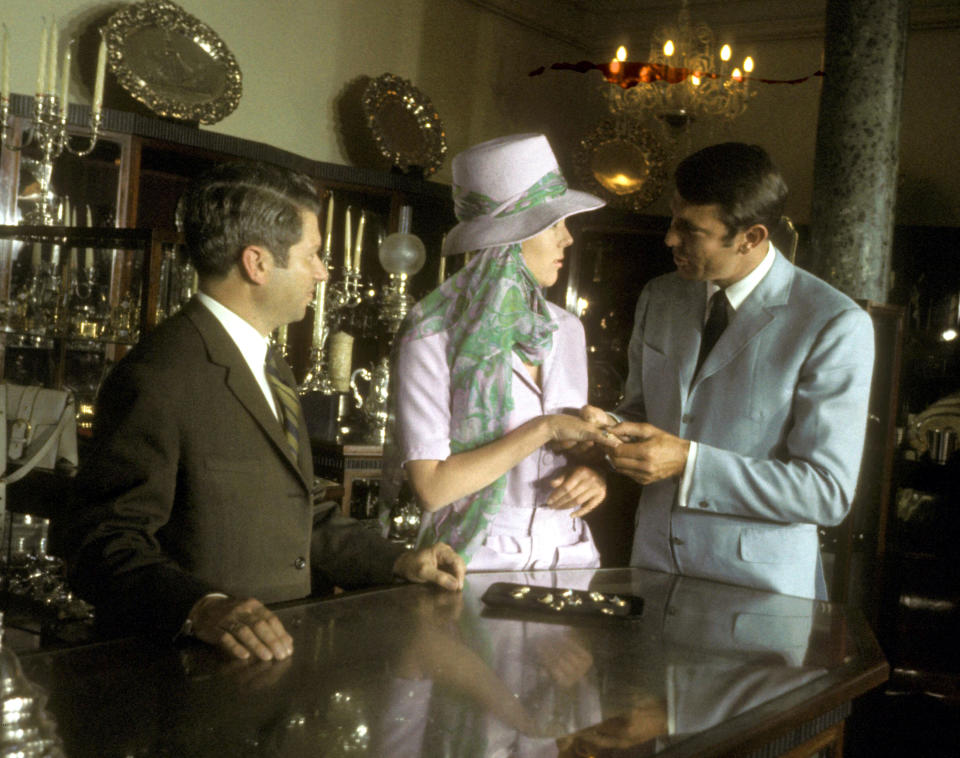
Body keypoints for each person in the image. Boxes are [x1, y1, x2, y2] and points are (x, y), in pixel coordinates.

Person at [53, 162, 465, 662]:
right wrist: (201, 607)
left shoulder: (270, 364)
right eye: (312, 254)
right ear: (257, 263)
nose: (323, 271)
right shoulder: (158, 376)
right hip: (190, 675)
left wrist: (400, 560)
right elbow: (100, 542)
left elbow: (301, 512)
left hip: (274, 671)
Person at [583, 142, 875, 599]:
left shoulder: (833, 324)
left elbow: (826, 492)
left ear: (751, 238)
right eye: (673, 220)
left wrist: (689, 462)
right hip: (652, 573)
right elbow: (644, 410)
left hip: (761, 594)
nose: (669, 240)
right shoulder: (661, 297)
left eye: (689, 229)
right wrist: (606, 429)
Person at [393, 133, 620, 570]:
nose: (567, 239)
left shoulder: (566, 329)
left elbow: (573, 449)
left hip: (569, 558)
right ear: (513, 236)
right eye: (554, 224)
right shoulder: (431, 333)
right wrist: (545, 428)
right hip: (471, 561)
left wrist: (595, 473)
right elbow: (433, 488)